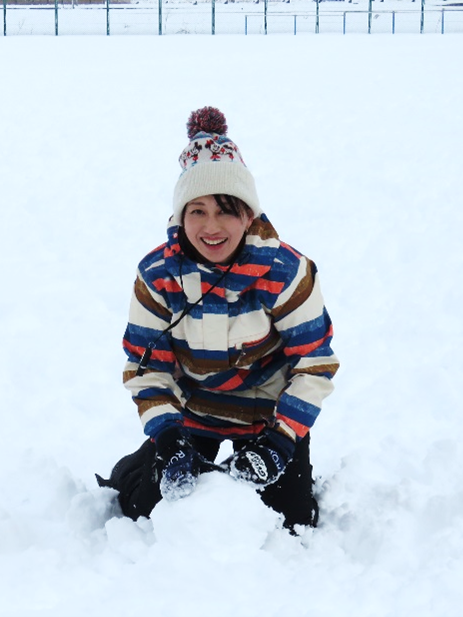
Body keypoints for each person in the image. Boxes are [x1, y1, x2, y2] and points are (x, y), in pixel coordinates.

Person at [96, 107, 339, 531]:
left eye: (227, 209)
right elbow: (146, 367)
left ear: (248, 214)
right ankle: (138, 466)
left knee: (292, 524)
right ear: (181, 215)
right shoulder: (157, 275)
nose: (212, 227)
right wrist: (169, 436)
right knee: (143, 510)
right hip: (192, 414)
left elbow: (314, 364)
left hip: (268, 417)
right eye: (198, 210)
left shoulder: (287, 272)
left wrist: (282, 441)